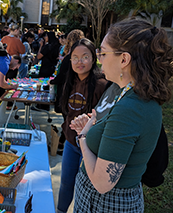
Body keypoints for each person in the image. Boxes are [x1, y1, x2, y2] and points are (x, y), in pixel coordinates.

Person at [71, 19, 173, 212]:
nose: (99, 58)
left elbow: (102, 183)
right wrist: (93, 125)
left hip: (105, 204)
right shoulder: (128, 92)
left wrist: (83, 137)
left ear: (124, 60)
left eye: (103, 52)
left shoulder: (131, 108)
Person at [56, 38, 107, 213]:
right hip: (71, 143)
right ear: (70, 61)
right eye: (75, 57)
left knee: (85, 188)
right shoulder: (70, 81)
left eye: (85, 56)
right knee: (66, 182)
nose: (79, 61)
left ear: (93, 58)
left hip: (92, 147)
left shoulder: (102, 85)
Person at [49, 29, 85, 154]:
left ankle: (64, 144)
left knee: (69, 120)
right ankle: (62, 142)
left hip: (68, 92)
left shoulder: (71, 57)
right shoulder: (79, 56)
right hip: (77, 92)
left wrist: (52, 82)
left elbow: (63, 76)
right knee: (69, 119)